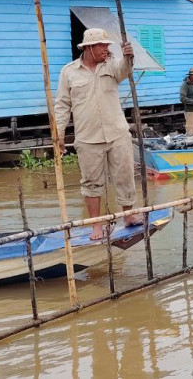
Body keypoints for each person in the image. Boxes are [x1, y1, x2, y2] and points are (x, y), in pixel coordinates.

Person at [55, 28, 142, 241]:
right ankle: (96, 224)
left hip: (117, 133)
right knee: (91, 183)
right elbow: (62, 105)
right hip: (87, 137)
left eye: (107, 45)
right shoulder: (69, 72)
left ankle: (128, 215)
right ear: (89, 48)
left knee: (124, 176)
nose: (106, 49)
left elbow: (124, 70)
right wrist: (58, 135)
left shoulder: (111, 65)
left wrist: (128, 56)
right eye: (102, 45)